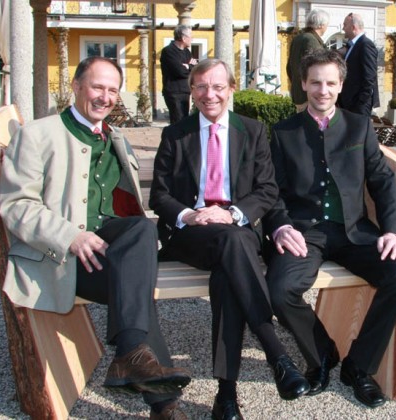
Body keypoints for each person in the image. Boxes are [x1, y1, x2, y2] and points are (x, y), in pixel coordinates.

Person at [0, 56, 191, 420]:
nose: (105, 97)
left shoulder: (116, 137)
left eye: (113, 90)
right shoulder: (37, 134)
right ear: (76, 86)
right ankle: (163, 403)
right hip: (61, 259)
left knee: (140, 232)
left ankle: (132, 356)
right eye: (97, 87)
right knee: (135, 293)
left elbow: (130, 208)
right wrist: (70, 235)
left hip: (111, 252)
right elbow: (15, 206)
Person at [149, 58, 310, 420]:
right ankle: (275, 352)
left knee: (229, 269)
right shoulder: (176, 134)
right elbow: (158, 196)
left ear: (231, 89)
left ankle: (227, 395)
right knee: (233, 249)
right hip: (189, 234)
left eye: (218, 86)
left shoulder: (252, 131)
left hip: (235, 230)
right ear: (191, 91)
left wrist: (231, 213)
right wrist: (190, 214)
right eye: (202, 86)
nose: (210, 94)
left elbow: (267, 190)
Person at [263, 50, 396, 408]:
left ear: (341, 85)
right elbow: (271, 190)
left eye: (330, 82)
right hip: (305, 232)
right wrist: (281, 226)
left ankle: (358, 367)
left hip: (355, 232)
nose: (322, 90)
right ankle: (322, 356)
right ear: (303, 84)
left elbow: (381, 181)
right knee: (280, 289)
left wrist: (392, 232)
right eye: (315, 82)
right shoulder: (284, 132)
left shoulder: (358, 126)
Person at [286, 9, 329, 112]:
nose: (326, 27)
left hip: (299, 94)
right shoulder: (311, 41)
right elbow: (318, 70)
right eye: (327, 24)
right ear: (321, 25)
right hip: (309, 96)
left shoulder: (298, 38)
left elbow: (289, 68)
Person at [338, 13, 380, 116]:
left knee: (358, 132)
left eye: (345, 25)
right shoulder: (352, 45)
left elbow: (370, 77)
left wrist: (361, 102)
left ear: (353, 27)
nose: (343, 28)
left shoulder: (365, 45)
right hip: (349, 103)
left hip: (358, 106)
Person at [160, 25, 198, 124]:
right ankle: (175, 139)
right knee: (177, 121)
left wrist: (188, 66)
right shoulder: (168, 51)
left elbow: (195, 68)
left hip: (185, 91)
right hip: (174, 92)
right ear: (183, 38)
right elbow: (179, 71)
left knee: (185, 119)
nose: (192, 39)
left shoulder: (187, 52)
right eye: (190, 36)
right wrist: (189, 66)